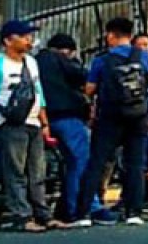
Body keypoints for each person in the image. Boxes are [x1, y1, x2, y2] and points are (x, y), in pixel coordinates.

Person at [73, 17, 148, 228]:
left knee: (97, 162)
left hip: (110, 116)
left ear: (111, 35)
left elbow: (90, 89)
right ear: (130, 35)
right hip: (139, 116)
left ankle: (83, 213)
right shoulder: (144, 57)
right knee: (135, 164)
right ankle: (133, 212)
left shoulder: (102, 60)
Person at [0, 20, 62, 232]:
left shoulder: (31, 63)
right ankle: (21, 216)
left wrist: (44, 123)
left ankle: (42, 213)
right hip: (11, 125)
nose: (28, 40)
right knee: (16, 172)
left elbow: (38, 92)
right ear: (7, 40)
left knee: (37, 172)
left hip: (33, 123)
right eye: (23, 36)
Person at [35, 33, 100, 223]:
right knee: (79, 162)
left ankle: (57, 209)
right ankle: (80, 208)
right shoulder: (60, 59)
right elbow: (82, 77)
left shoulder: (33, 61)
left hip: (42, 118)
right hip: (67, 116)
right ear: (68, 51)